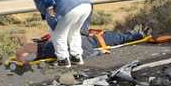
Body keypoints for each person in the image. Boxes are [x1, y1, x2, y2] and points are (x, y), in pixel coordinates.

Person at [25, 0, 93, 67]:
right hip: (85, 5)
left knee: (58, 34)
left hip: (69, 7)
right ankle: (76, 57)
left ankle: (63, 60)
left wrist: (49, 7)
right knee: (74, 32)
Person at [15, 28, 147, 63]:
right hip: (93, 41)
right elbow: (85, 53)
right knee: (120, 38)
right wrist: (99, 53)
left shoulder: (46, 47)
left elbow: (23, 51)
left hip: (90, 40)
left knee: (119, 37)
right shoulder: (48, 48)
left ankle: (135, 34)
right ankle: (137, 34)